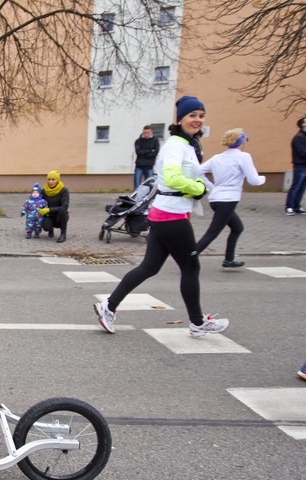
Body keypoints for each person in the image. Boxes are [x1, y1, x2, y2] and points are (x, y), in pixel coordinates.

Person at [94, 95, 229, 338]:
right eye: (192, 115)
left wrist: (206, 185)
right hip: (172, 215)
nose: (197, 120)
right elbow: (173, 178)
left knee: (149, 267)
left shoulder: (187, 144)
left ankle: (108, 306)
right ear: (180, 119)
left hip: (165, 212)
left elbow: (192, 175)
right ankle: (197, 323)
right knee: (191, 268)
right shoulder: (177, 145)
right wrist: (199, 189)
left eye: (201, 116)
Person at [196, 128, 266, 268]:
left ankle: (229, 259)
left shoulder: (217, 157)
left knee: (237, 228)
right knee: (213, 232)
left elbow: (198, 171)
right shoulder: (243, 156)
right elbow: (253, 180)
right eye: (245, 140)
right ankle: (189, 256)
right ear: (241, 141)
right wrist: (262, 178)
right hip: (228, 200)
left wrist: (211, 187)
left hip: (216, 199)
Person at [39, 170, 70, 243]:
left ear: (57, 180)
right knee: (46, 227)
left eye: (53, 179)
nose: (51, 182)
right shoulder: (44, 191)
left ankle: (63, 234)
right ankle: (50, 229)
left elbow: (65, 206)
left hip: (60, 216)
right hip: (49, 215)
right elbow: (40, 202)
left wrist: (49, 209)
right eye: (49, 179)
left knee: (62, 209)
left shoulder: (64, 190)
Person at [285, 117, 306, 215]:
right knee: (296, 187)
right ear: (303, 124)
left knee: (302, 188)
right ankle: (289, 207)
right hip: (300, 166)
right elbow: (303, 153)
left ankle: (297, 206)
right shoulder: (298, 137)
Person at [134, 125, 160, 190]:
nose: (146, 134)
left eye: (148, 132)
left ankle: (145, 199)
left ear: (151, 132)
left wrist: (144, 154)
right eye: (144, 132)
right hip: (139, 166)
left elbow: (155, 153)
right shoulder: (138, 141)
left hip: (149, 166)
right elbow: (138, 152)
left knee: (148, 185)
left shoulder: (155, 141)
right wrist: (150, 150)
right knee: (137, 185)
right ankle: (136, 198)